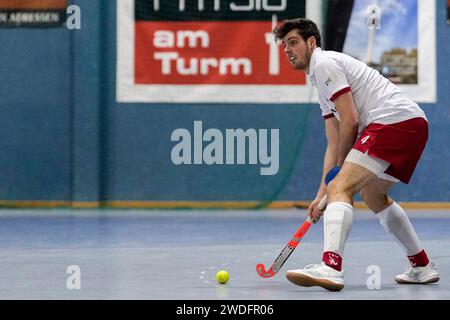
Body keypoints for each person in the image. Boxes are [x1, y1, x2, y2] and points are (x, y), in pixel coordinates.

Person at [273, 18, 439, 291]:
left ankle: (331, 266)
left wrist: (337, 181)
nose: (288, 50)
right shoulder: (319, 80)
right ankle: (421, 265)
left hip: (393, 122)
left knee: (342, 186)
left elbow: (350, 120)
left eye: (293, 42)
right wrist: (321, 193)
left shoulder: (325, 63)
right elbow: (333, 140)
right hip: (411, 123)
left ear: (311, 42)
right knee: (373, 195)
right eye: (284, 46)